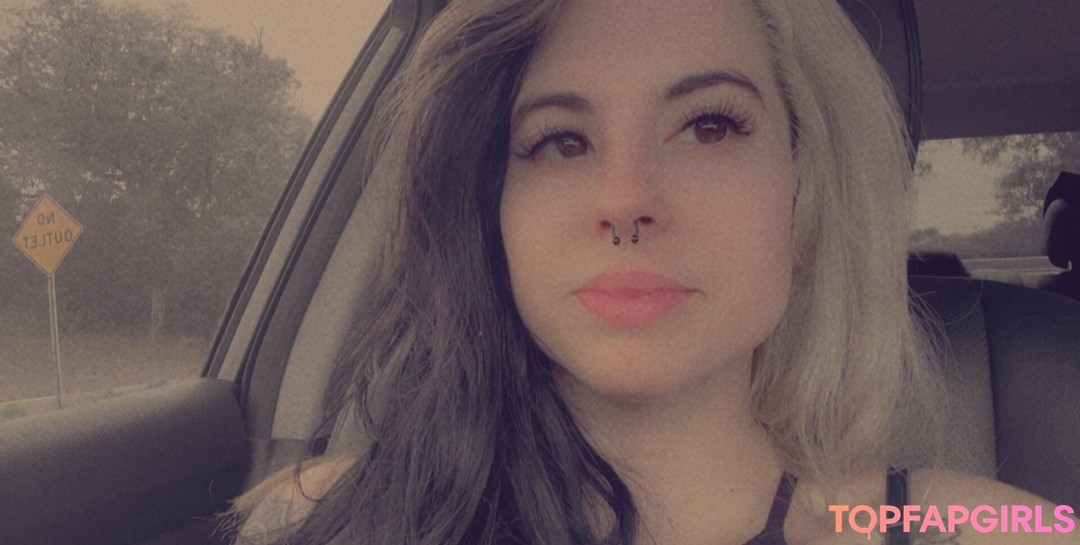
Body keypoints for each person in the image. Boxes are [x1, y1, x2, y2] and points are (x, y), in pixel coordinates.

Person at [228, 1, 1078, 544]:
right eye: (560, 140)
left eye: (709, 126)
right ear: (494, 216)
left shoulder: (975, 526)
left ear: (804, 195)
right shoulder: (320, 516)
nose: (625, 198)